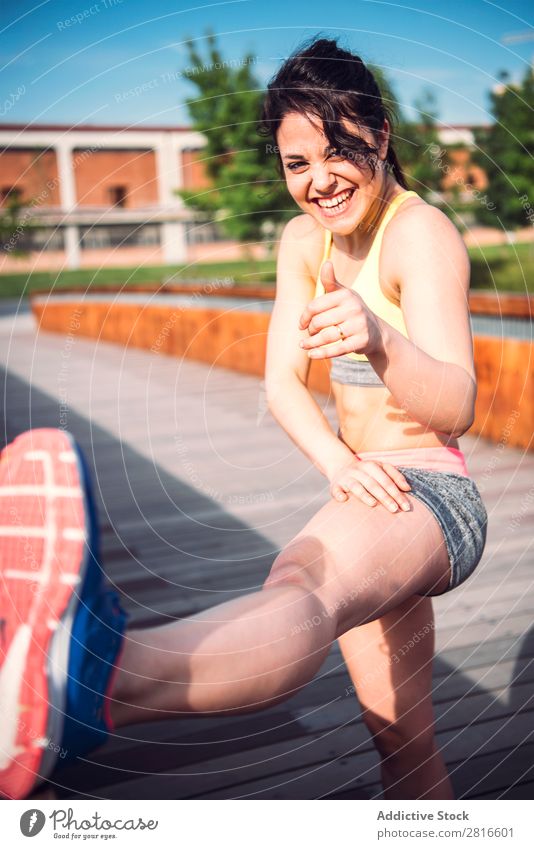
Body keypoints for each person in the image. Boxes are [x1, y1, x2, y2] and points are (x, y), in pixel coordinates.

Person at [0, 37, 487, 801]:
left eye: (339, 150)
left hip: (432, 496)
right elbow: (282, 382)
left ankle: (92, 679)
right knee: (400, 736)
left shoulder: (419, 233)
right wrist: (337, 464)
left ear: (381, 135)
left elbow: (458, 404)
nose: (320, 181)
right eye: (298, 164)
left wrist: (380, 337)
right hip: (367, 492)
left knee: (302, 585)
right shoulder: (305, 241)